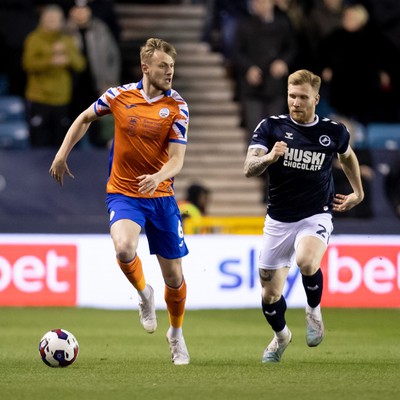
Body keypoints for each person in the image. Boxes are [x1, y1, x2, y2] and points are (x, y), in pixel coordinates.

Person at [49, 37, 190, 365]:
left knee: (175, 278)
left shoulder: (178, 106)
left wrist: (158, 177)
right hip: (125, 193)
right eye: (163, 66)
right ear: (146, 67)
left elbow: (177, 159)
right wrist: (62, 153)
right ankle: (144, 295)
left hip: (162, 198)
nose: (169, 72)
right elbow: (85, 118)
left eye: (172, 66)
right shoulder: (118, 96)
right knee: (124, 248)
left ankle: (176, 334)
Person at [244, 69, 364, 363]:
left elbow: (347, 156)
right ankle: (281, 336)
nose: (296, 102)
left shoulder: (333, 131)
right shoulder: (271, 127)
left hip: (315, 214)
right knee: (270, 295)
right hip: (278, 219)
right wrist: (270, 157)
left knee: (307, 260)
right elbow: (249, 168)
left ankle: (313, 310)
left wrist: (357, 192)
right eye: (291, 96)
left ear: (316, 99)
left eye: (302, 97)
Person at [22, 4, 86, 147]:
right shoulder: (34, 39)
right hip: (39, 98)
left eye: (56, 19)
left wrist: (68, 57)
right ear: (42, 20)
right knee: (39, 140)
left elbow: (80, 64)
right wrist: (50, 61)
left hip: (62, 99)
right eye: (49, 19)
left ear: (61, 21)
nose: (53, 22)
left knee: (61, 141)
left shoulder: (67, 41)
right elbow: (28, 64)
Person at [65, 0, 121, 147]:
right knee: (73, 122)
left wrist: (110, 82)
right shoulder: (64, 31)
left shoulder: (101, 29)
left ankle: (98, 154)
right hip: (71, 86)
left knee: (97, 121)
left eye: (84, 10)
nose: (81, 13)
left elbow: (113, 56)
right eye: (77, 10)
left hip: (97, 83)